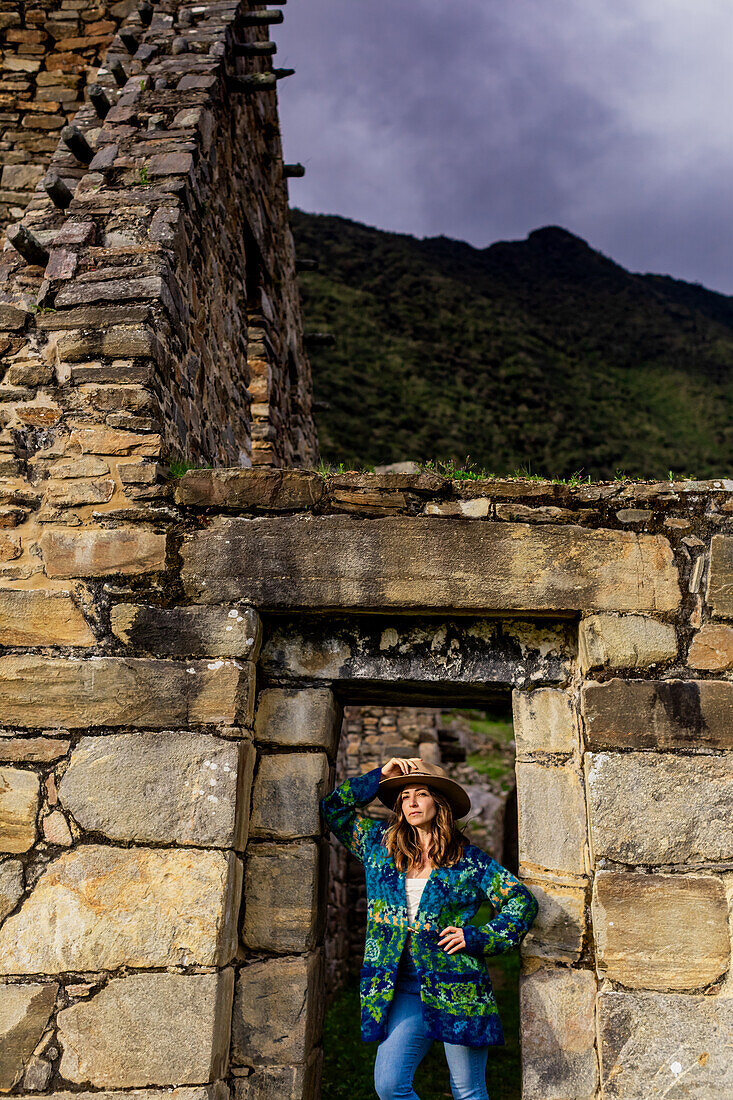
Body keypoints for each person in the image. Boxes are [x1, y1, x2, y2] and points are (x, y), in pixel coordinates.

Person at [320, 755, 539, 1100]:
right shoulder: (379, 846)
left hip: (458, 986)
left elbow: (521, 903)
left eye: (421, 794)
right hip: (402, 985)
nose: (411, 803)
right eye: (404, 796)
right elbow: (334, 809)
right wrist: (380, 776)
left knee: (467, 1090)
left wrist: (477, 936)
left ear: (440, 802)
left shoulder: (469, 862)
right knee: (389, 1085)